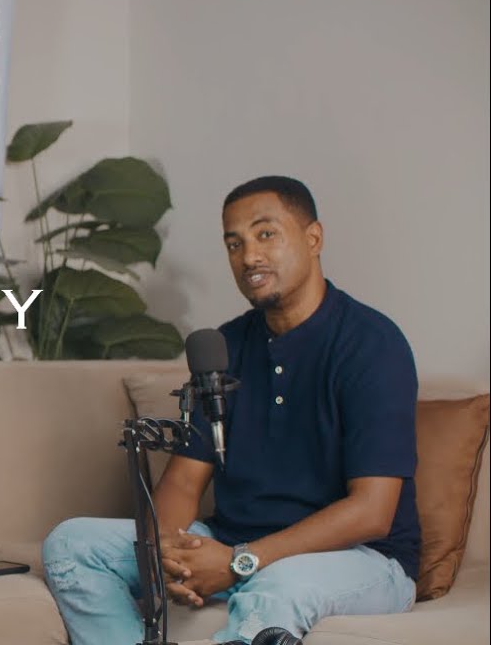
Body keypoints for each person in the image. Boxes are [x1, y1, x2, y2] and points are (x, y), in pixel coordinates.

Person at [41, 176, 419, 644]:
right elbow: (184, 481)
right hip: (233, 541)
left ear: (313, 238)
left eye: (266, 234)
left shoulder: (372, 345)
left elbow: (371, 512)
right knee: (72, 545)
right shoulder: (226, 346)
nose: (249, 257)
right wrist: (168, 553)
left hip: (359, 559)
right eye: (234, 244)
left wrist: (242, 560)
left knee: (276, 587)